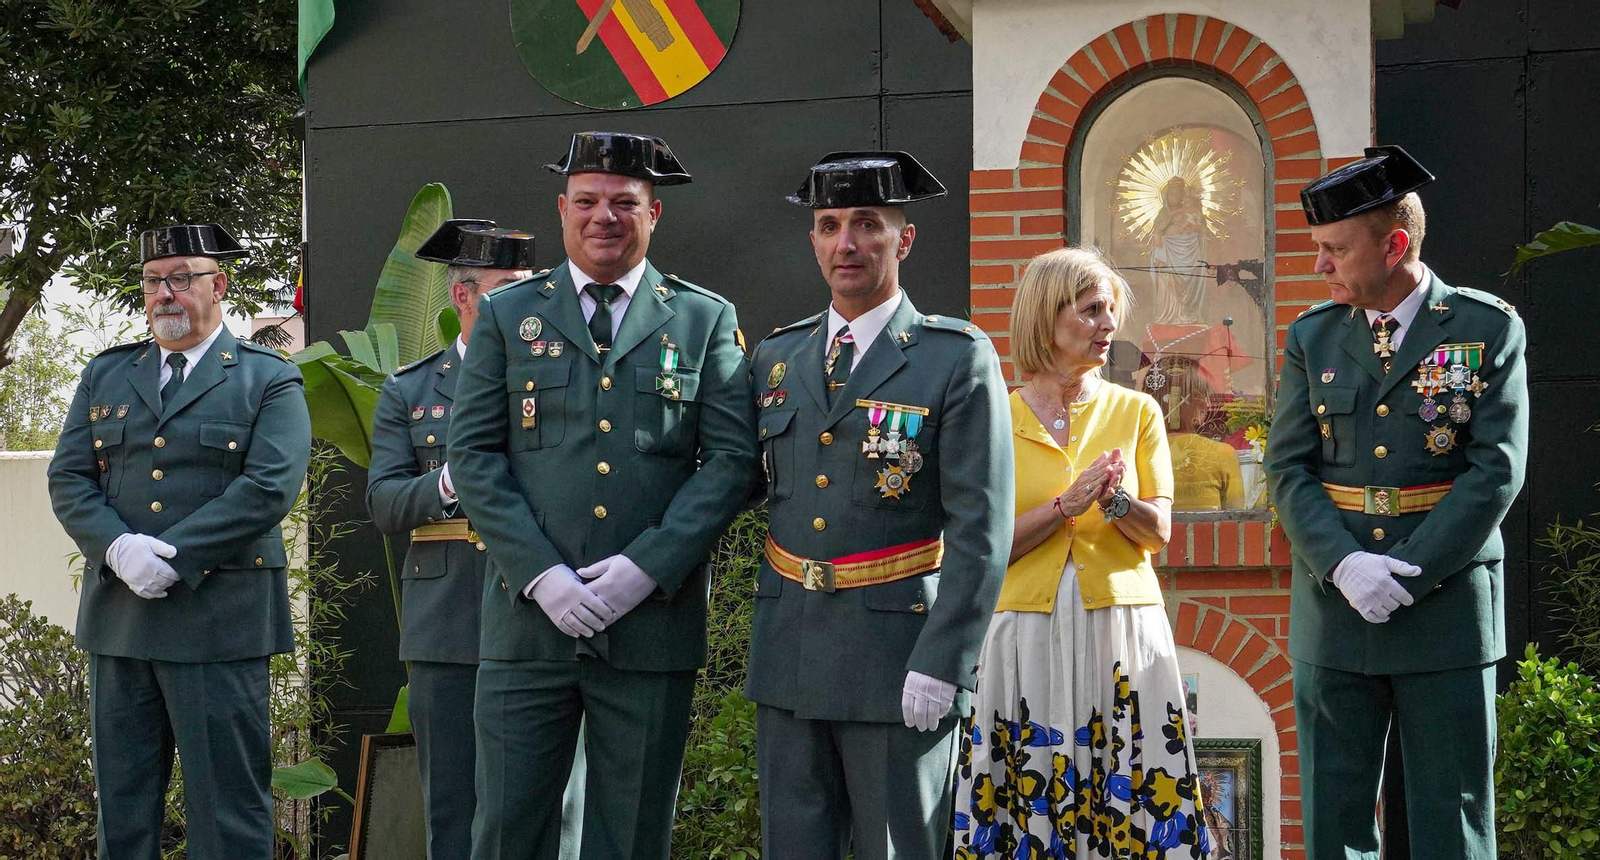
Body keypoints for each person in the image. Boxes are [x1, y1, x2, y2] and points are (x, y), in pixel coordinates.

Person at [447, 131, 757, 860]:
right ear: (562, 210)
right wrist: (542, 576)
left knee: (633, 835)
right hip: (528, 627)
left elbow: (732, 462)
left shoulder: (703, 318)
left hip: (651, 628)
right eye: (586, 201)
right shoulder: (507, 315)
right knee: (506, 833)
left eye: (624, 202)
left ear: (655, 213)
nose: (603, 217)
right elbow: (474, 457)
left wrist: (647, 568)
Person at [746, 151, 1013, 860]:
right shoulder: (777, 357)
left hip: (899, 662)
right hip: (789, 654)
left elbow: (982, 530)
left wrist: (945, 660)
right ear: (813, 240)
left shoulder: (954, 357)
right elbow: (731, 483)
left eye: (867, 224)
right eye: (829, 225)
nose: (846, 243)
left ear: (905, 238)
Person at [1265, 145, 1527, 859]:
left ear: (1395, 245)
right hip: (1336, 609)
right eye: (1318, 248)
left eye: (1336, 249)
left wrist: (1408, 572)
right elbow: (1287, 467)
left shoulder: (1485, 328)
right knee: (1335, 816)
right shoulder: (1313, 335)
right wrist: (1344, 565)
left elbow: (1495, 470)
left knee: (1451, 817)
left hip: (1445, 607)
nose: (1321, 265)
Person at [47, 223, 311, 858]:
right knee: (123, 811)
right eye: (152, 281)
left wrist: (173, 557)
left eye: (182, 278)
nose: (165, 293)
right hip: (122, 622)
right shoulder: (108, 374)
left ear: (219, 286)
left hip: (220, 622)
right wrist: (118, 549)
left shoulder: (266, 378)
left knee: (228, 813)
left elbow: (269, 486)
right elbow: (70, 477)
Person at [951, 246, 1209, 858]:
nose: (1108, 324)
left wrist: (1114, 500)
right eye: (1091, 310)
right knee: (1025, 785)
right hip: (1023, 631)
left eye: (1111, 310)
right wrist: (1065, 505)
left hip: (1121, 626)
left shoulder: (1137, 410)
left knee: (1134, 787)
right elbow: (983, 548)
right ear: (1046, 317)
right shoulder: (994, 416)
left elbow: (1159, 532)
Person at [366, 220, 540, 860]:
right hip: (448, 621)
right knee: (453, 808)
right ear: (463, 296)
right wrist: (449, 480)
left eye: (531, 286)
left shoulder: (555, 379)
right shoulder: (412, 389)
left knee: (541, 806)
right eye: (507, 287)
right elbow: (384, 503)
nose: (525, 302)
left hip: (539, 608)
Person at [1142, 355, 1245, 511]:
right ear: (1197, 402)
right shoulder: (1222, 454)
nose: (1208, 404)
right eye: (1205, 396)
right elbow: (1237, 515)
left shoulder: (1136, 453)